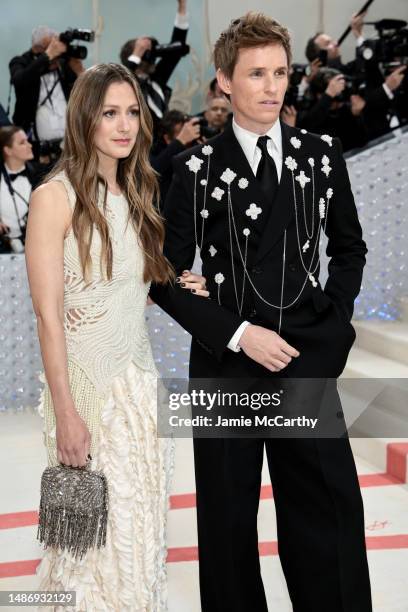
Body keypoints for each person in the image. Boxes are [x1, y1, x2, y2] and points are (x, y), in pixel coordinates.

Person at [150, 12, 372, 611]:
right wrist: (239, 333)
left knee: (327, 509)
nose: (272, 86)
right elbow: (161, 275)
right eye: (256, 73)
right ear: (224, 80)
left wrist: (335, 322)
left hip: (303, 357)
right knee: (226, 525)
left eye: (280, 71)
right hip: (227, 367)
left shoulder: (321, 154)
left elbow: (348, 248)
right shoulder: (193, 167)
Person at [25, 62, 207, 611]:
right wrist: (67, 413)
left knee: (140, 537)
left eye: (132, 112)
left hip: (141, 398)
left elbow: (128, 287)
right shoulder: (53, 198)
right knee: (89, 554)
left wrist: (175, 281)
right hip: (90, 401)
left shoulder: (136, 192)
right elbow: (48, 317)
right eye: (110, 113)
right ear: (85, 118)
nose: (124, 125)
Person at [9, 25, 84, 161]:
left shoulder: (61, 63)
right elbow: (19, 80)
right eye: (51, 47)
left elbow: (82, 91)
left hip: (68, 148)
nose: (56, 53)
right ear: (38, 48)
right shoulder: (20, 62)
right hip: (38, 151)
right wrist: (47, 56)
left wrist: (79, 72)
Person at [120, 0, 189, 141]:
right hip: (137, 143)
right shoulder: (127, 83)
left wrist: (182, 8)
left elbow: (176, 48)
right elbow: (124, 78)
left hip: (161, 143)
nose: (153, 59)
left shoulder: (156, 79)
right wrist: (137, 53)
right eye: (147, 54)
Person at [0, 125, 42, 253]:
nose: (29, 145)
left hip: (37, 246)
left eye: (27, 141)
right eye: (22, 143)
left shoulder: (42, 174)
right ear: (8, 150)